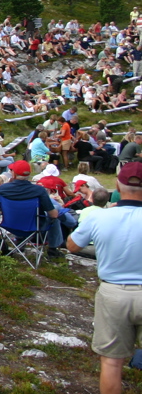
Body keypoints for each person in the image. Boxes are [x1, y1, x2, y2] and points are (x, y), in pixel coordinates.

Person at [67, 162, 142, 394]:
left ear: (117, 184)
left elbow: (72, 245)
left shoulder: (99, 217)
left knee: (111, 361)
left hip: (113, 292)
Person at [0, 160, 65, 257]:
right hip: (34, 226)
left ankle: (19, 240)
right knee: (55, 218)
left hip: (9, 224)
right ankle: (53, 250)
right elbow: (53, 214)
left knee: (19, 214)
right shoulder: (39, 190)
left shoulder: (2, 189)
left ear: (13, 174)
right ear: (29, 174)